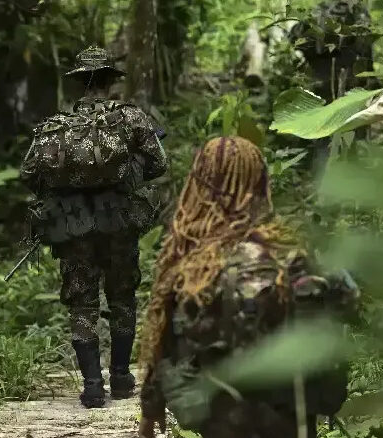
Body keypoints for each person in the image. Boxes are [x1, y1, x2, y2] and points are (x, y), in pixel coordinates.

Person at [138, 136, 359, 438]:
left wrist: (151, 409)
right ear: (260, 183)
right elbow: (338, 311)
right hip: (287, 412)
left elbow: (163, 340)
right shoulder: (286, 250)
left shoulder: (190, 258)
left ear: (199, 182)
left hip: (220, 414)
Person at [20, 46, 168, 408]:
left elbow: (29, 174)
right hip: (119, 222)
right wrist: (125, 174)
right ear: (109, 81)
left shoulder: (55, 125)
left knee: (82, 302)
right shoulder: (131, 117)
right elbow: (158, 164)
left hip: (74, 226)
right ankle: (120, 377)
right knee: (122, 297)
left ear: (78, 83)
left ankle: (91, 385)